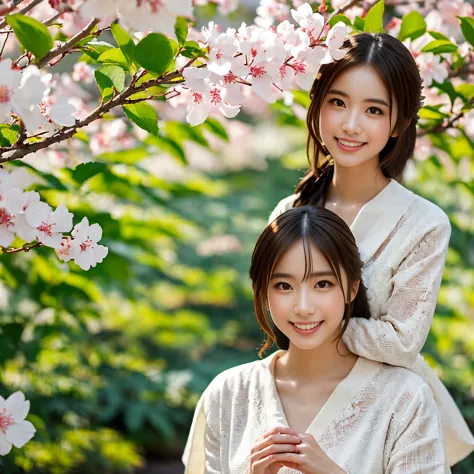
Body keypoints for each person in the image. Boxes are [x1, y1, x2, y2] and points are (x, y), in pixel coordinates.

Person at [268, 32, 473, 466]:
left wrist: (316, 324)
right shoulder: (289, 210)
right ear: (317, 104)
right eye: (337, 102)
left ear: (399, 124)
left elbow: (401, 343)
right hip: (302, 396)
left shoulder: (422, 223)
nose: (350, 125)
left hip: (383, 410)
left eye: (374, 110)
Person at [183, 206, 449, 473]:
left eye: (322, 284)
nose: (303, 307)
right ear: (263, 291)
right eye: (284, 286)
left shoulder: (405, 399)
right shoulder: (228, 394)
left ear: (352, 288)